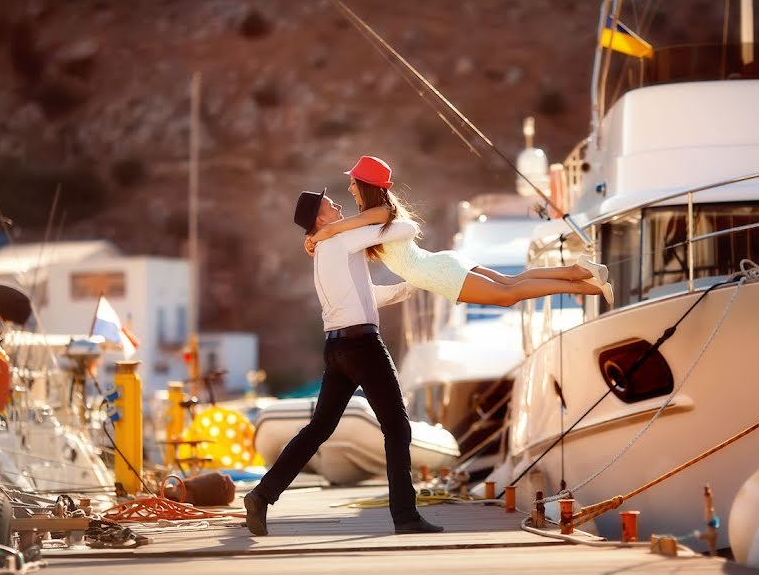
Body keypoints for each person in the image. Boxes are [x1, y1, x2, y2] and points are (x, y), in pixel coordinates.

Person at [244, 188, 443, 536]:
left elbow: (366, 295)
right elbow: (405, 229)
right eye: (329, 205)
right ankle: (406, 516)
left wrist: (411, 286)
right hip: (363, 345)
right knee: (397, 427)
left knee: (319, 428)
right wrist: (347, 225)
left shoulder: (324, 248)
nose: (338, 205)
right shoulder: (339, 239)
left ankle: (262, 495)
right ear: (320, 219)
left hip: (337, 348)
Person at [306, 156, 614, 307]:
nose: (349, 187)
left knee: (510, 294)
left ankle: (590, 286)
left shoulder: (380, 213)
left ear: (365, 186)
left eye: (353, 182)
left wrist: (322, 232)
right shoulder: (373, 218)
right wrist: (318, 239)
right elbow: (345, 235)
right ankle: (580, 271)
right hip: (438, 265)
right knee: (513, 282)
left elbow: (345, 228)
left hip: (438, 272)